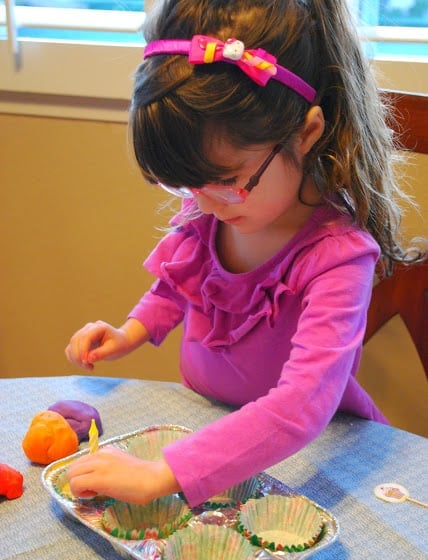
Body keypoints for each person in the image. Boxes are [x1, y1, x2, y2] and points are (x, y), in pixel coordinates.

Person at [65, 0, 422, 507]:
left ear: (307, 133)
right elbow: (181, 283)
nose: (204, 203)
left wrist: (163, 475)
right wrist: (131, 332)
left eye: (229, 182)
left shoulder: (339, 257)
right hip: (210, 422)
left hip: (311, 450)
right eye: (187, 185)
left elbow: (302, 405)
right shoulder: (214, 209)